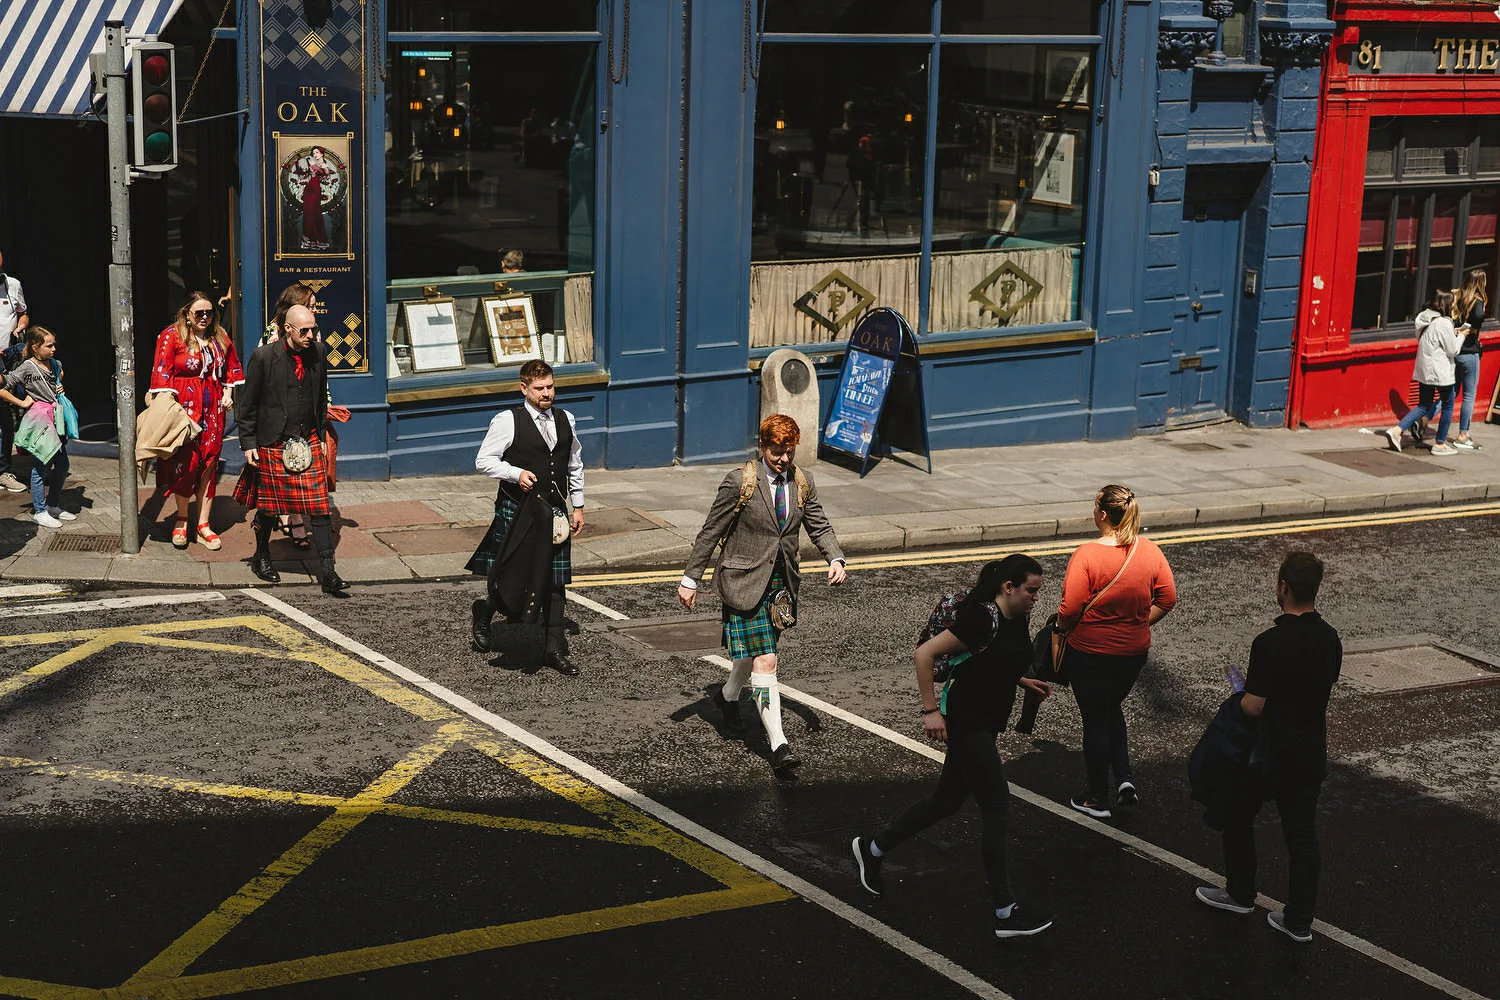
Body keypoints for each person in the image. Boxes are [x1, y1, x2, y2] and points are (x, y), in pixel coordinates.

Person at [851, 555, 1055, 939]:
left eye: (1037, 591)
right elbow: (924, 654)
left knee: (945, 802)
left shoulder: (1018, 616)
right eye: (1031, 590)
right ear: (1008, 587)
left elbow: (995, 659)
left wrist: (1023, 681)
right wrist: (931, 711)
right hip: (966, 723)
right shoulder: (980, 618)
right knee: (998, 809)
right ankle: (1005, 911)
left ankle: (873, 848)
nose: (1036, 598)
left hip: (986, 722)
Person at [678, 414, 846, 778]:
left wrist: (835, 556)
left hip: (781, 584)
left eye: (788, 452)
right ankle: (779, 746)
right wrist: (691, 578)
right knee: (766, 660)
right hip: (742, 581)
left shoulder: (803, 481)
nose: (783, 459)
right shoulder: (740, 481)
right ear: (762, 446)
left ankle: (726, 698)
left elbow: (818, 522)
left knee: (755, 654)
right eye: (775, 452)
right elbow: (711, 530)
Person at [1195, 551, 1341, 944]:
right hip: (1308, 753)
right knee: (1302, 835)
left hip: (1264, 755)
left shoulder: (1270, 642)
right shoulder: (1329, 637)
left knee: (1238, 816)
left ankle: (1240, 894)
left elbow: (1254, 705)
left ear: (1283, 587)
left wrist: (1239, 693)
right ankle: (1298, 920)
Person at [1057, 485, 1176, 820]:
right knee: (1111, 708)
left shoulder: (1087, 554)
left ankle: (1097, 799)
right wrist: (1137, 623)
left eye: (1094, 507)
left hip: (1090, 653)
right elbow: (1167, 599)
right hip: (1132, 654)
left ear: (1103, 515)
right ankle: (1124, 780)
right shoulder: (1150, 551)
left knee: (1096, 718)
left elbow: (1069, 609)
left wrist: (1062, 630)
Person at [467, 359, 586, 675]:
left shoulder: (566, 419)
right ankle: (485, 609)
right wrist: (515, 472)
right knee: (515, 577)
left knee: (555, 581)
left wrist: (579, 504)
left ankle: (553, 650)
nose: (546, 393)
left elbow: (574, 463)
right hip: (518, 510)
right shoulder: (507, 420)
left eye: (550, 387)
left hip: (556, 509)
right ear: (524, 388)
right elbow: (483, 461)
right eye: (539, 389)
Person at [232, 303, 346, 595]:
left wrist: (320, 435)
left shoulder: (319, 353)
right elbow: (248, 406)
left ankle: (328, 571)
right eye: (304, 330)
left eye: (314, 329)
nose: (311, 335)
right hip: (273, 441)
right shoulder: (263, 357)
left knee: (320, 509)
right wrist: (248, 444)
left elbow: (321, 399)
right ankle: (261, 557)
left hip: (307, 440)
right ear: (287, 330)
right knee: (270, 508)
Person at [149, 293, 245, 550]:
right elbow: (162, 373)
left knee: (210, 463)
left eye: (209, 312)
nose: (205, 317)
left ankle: (203, 524)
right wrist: (169, 405)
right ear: (186, 313)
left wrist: (227, 393)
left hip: (213, 410)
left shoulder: (220, 337)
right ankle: (182, 518)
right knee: (186, 464)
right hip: (184, 411)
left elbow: (229, 370)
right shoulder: (171, 335)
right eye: (199, 313)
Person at [260, 282, 320, 549]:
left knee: (299, 468)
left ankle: (292, 515)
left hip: (307, 413)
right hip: (282, 417)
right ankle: (292, 519)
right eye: (312, 306)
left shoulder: (311, 332)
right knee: (291, 468)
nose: (315, 311)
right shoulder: (275, 335)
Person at [0, 327, 72, 527]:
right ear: (35, 347)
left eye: (54, 344)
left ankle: (53, 506)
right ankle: (40, 511)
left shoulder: (54, 364)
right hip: (40, 420)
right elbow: (4, 388)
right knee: (40, 466)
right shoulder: (27, 367)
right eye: (48, 345)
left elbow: (58, 374)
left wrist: (59, 384)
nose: (53, 349)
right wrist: (22, 402)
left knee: (63, 465)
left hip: (55, 419)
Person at [1384, 289, 1464, 456]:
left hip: (1424, 369)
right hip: (1440, 372)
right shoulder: (1444, 322)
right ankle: (1440, 444)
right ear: (1446, 304)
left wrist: (1452, 333)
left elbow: (1432, 338)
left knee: (1423, 405)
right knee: (1448, 405)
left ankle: (1397, 430)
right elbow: (1453, 350)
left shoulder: (1424, 317)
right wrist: (1461, 335)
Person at [0, 249, 30, 493]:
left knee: (5, 417)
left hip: (8, 355)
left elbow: (23, 313)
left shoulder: (13, 285)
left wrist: (19, 327)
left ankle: (4, 470)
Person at [1452, 272, 1487, 451]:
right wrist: (1474, 328)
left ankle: (1422, 420)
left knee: (1450, 393)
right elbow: (1480, 315)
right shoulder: (1477, 300)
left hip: (1455, 351)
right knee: (1468, 395)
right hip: (1470, 353)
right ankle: (1463, 435)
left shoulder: (1457, 296)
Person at [294, 147, 334, 250]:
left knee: (315, 213)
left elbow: (326, 177)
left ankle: (319, 241)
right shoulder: (310, 164)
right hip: (308, 190)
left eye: (317, 152)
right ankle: (307, 242)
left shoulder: (324, 165)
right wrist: (297, 165)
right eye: (313, 153)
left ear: (322, 154)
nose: (315, 154)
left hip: (316, 189)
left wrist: (316, 167)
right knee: (307, 214)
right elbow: (302, 177)